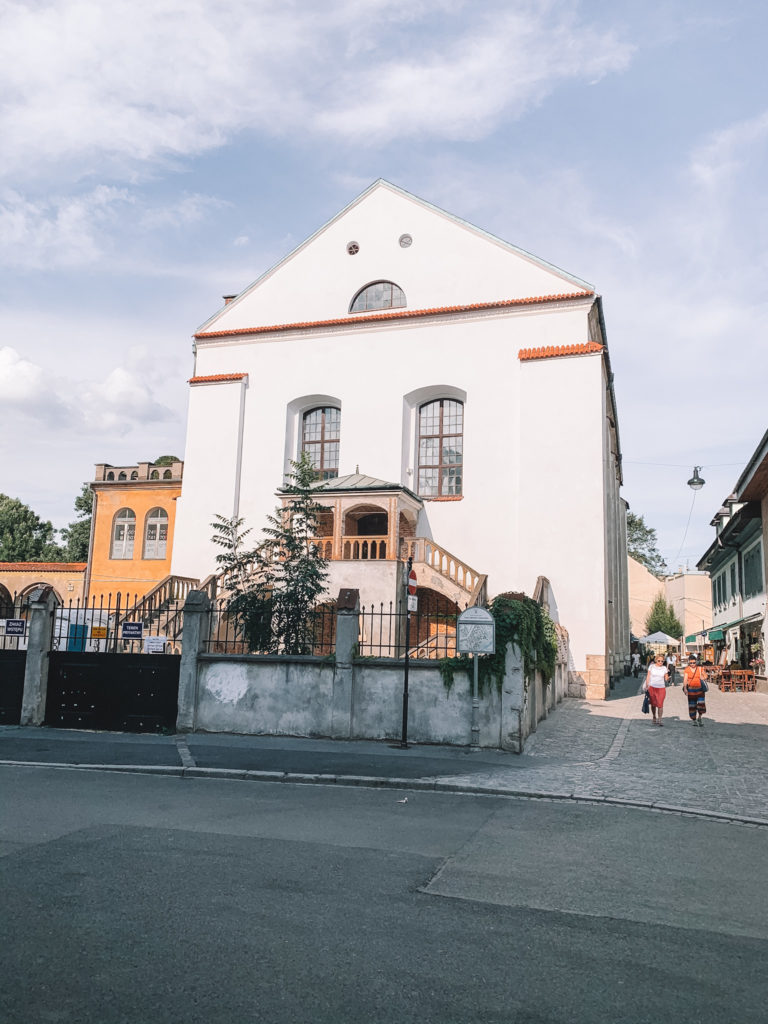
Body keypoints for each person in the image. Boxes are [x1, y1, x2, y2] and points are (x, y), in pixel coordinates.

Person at [643, 653, 669, 725]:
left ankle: (660, 719)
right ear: (656, 660)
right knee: (653, 704)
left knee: (660, 704)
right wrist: (647, 685)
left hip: (661, 688)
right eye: (659, 661)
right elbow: (648, 676)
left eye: (662, 661)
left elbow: (666, 678)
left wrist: (667, 678)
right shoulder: (651, 666)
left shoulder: (664, 668)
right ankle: (654, 716)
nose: (660, 662)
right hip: (652, 687)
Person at [682, 654, 707, 727]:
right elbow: (685, 680)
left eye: (694, 663)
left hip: (700, 690)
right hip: (691, 690)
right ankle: (694, 720)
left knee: (701, 705)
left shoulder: (700, 668)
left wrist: (703, 677)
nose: (692, 664)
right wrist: (685, 688)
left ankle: (699, 718)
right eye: (691, 663)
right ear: (689, 663)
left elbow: (705, 675)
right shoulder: (687, 669)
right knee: (692, 706)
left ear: (696, 662)